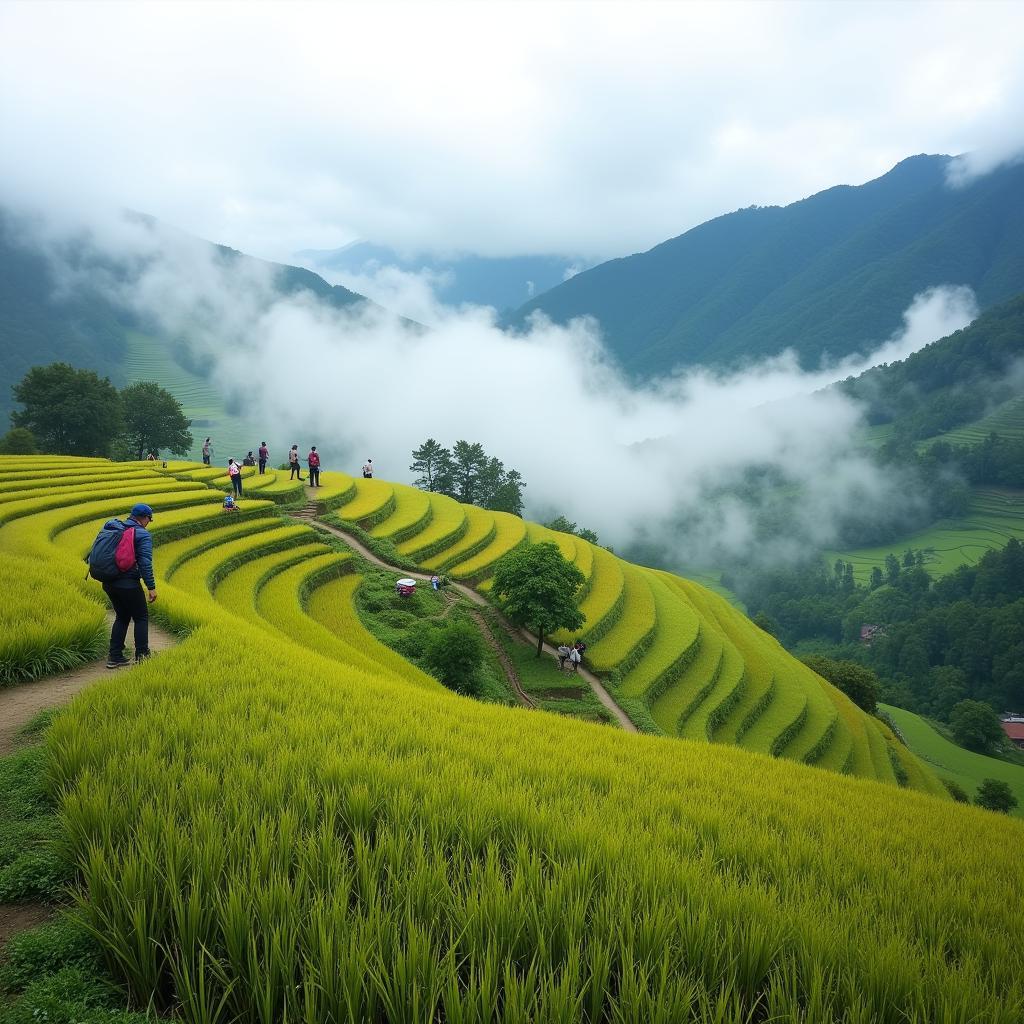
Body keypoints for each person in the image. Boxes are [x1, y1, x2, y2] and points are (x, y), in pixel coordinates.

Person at [90, 502, 157, 668]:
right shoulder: (141, 534)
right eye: (149, 519)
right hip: (127, 583)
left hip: (108, 582)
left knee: (122, 616)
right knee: (141, 617)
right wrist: (151, 587)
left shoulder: (115, 527)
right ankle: (142, 655)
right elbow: (145, 563)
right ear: (144, 518)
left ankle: (115, 656)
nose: (149, 522)